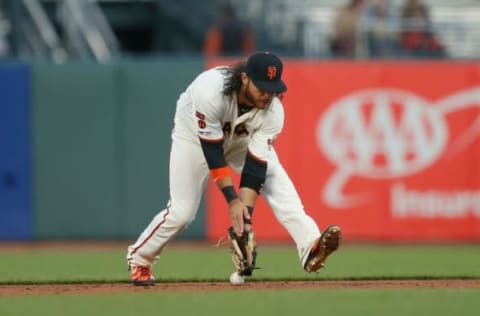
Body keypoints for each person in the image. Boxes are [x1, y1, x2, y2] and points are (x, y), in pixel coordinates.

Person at [126, 52, 341, 285]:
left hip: (241, 141)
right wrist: (232, 200)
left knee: (277, 182)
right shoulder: (210, 91)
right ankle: (140, 259)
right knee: (182, 212)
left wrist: (245, 220)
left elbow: (256, 168)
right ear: (246, 78)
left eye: (273, 88)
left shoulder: (274, 112)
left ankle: (310, 246)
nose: (269, 95)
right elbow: (213, 153)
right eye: (262, 88)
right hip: (194, 140)